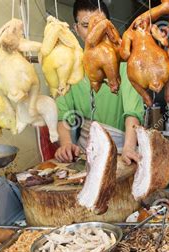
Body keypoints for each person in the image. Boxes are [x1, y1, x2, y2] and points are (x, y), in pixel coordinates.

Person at [54, 0, 145, 165]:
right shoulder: (69, 66)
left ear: (108, 26)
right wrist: (66, 144)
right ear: (76, 29)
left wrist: (129, 147)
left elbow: (133, 112)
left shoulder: (123, 62)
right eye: (85, 25)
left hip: (122, 150)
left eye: (100, 24)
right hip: (85, 152)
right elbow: (63, 113)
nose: (93, 31)